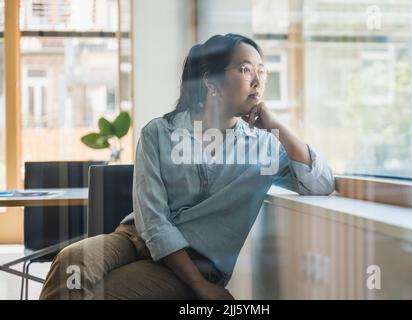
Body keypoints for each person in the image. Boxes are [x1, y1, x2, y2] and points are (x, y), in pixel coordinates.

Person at [39, 33, 335, 300]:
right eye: (245, 69)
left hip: (193, 264)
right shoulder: (159, 132)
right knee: (71, 262)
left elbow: (320, 183)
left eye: (262, 70)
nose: (257, 80)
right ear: (210, 82)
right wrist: (200, 287)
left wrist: (277, 125)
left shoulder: (266, 146)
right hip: (133, 239)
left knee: (107, 293)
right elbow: (152, 219)